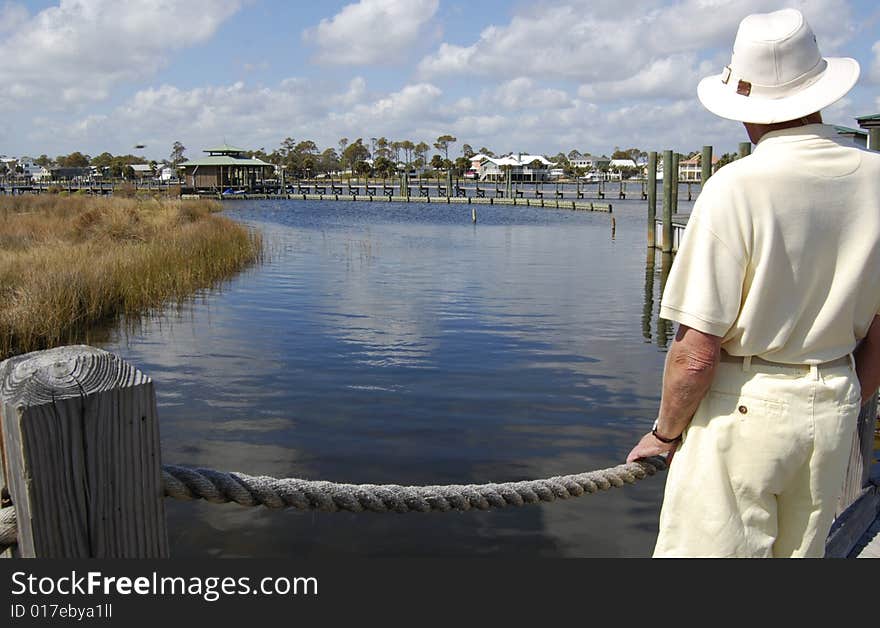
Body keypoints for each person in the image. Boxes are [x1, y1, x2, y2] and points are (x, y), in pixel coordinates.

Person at [626, 8, 880, 558]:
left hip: (745, 410)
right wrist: (850, 392)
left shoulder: (736, 187)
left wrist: (666, 434)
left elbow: (695, 354)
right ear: (820, 91)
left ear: (745, 112)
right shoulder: (876, 179)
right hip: (834, 403)